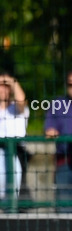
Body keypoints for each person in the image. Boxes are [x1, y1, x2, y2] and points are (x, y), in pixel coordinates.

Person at [45, 68, 72, 211]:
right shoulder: (58, 103)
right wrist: (51, 132)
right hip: (65, 161)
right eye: (71, 84)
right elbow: (49, 129)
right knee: (65, 210)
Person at [0, 71, 28, 201]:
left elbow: (21, 100)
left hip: (17, 152)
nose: (2, 88)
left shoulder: (17, 108)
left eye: (5, 85)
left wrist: (12, 80)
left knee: (18, 196)